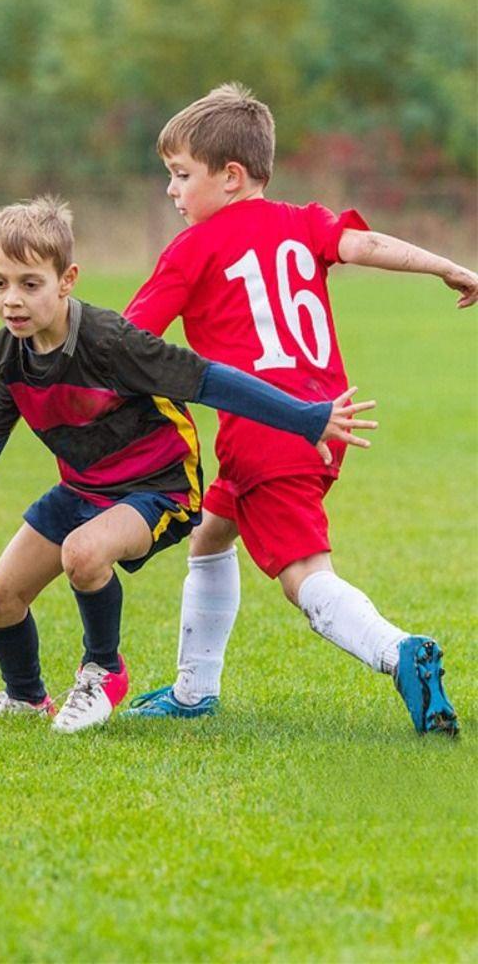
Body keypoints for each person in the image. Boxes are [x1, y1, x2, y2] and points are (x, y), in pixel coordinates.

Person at [0, 196, 375, 734]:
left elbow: (211, 380)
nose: (11, 301)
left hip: (159, 487)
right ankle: (25, 697)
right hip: (86, 488)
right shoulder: (10, 352)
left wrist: (305, 417)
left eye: (29, 284)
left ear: (67, 280)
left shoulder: (110, 343)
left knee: (83, 553)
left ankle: (103, 671)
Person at [122, 84, 476, 734]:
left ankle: (399, 653)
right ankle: (195, 691)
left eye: (180, 175)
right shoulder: (303, 221)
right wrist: (448, 267)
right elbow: (366, 247)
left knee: (304, 577)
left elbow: (128, 339)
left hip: (266, 429)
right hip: (324, 417)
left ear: (230, 177)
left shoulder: (192, 249)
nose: (171, 191)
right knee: (211, 534)